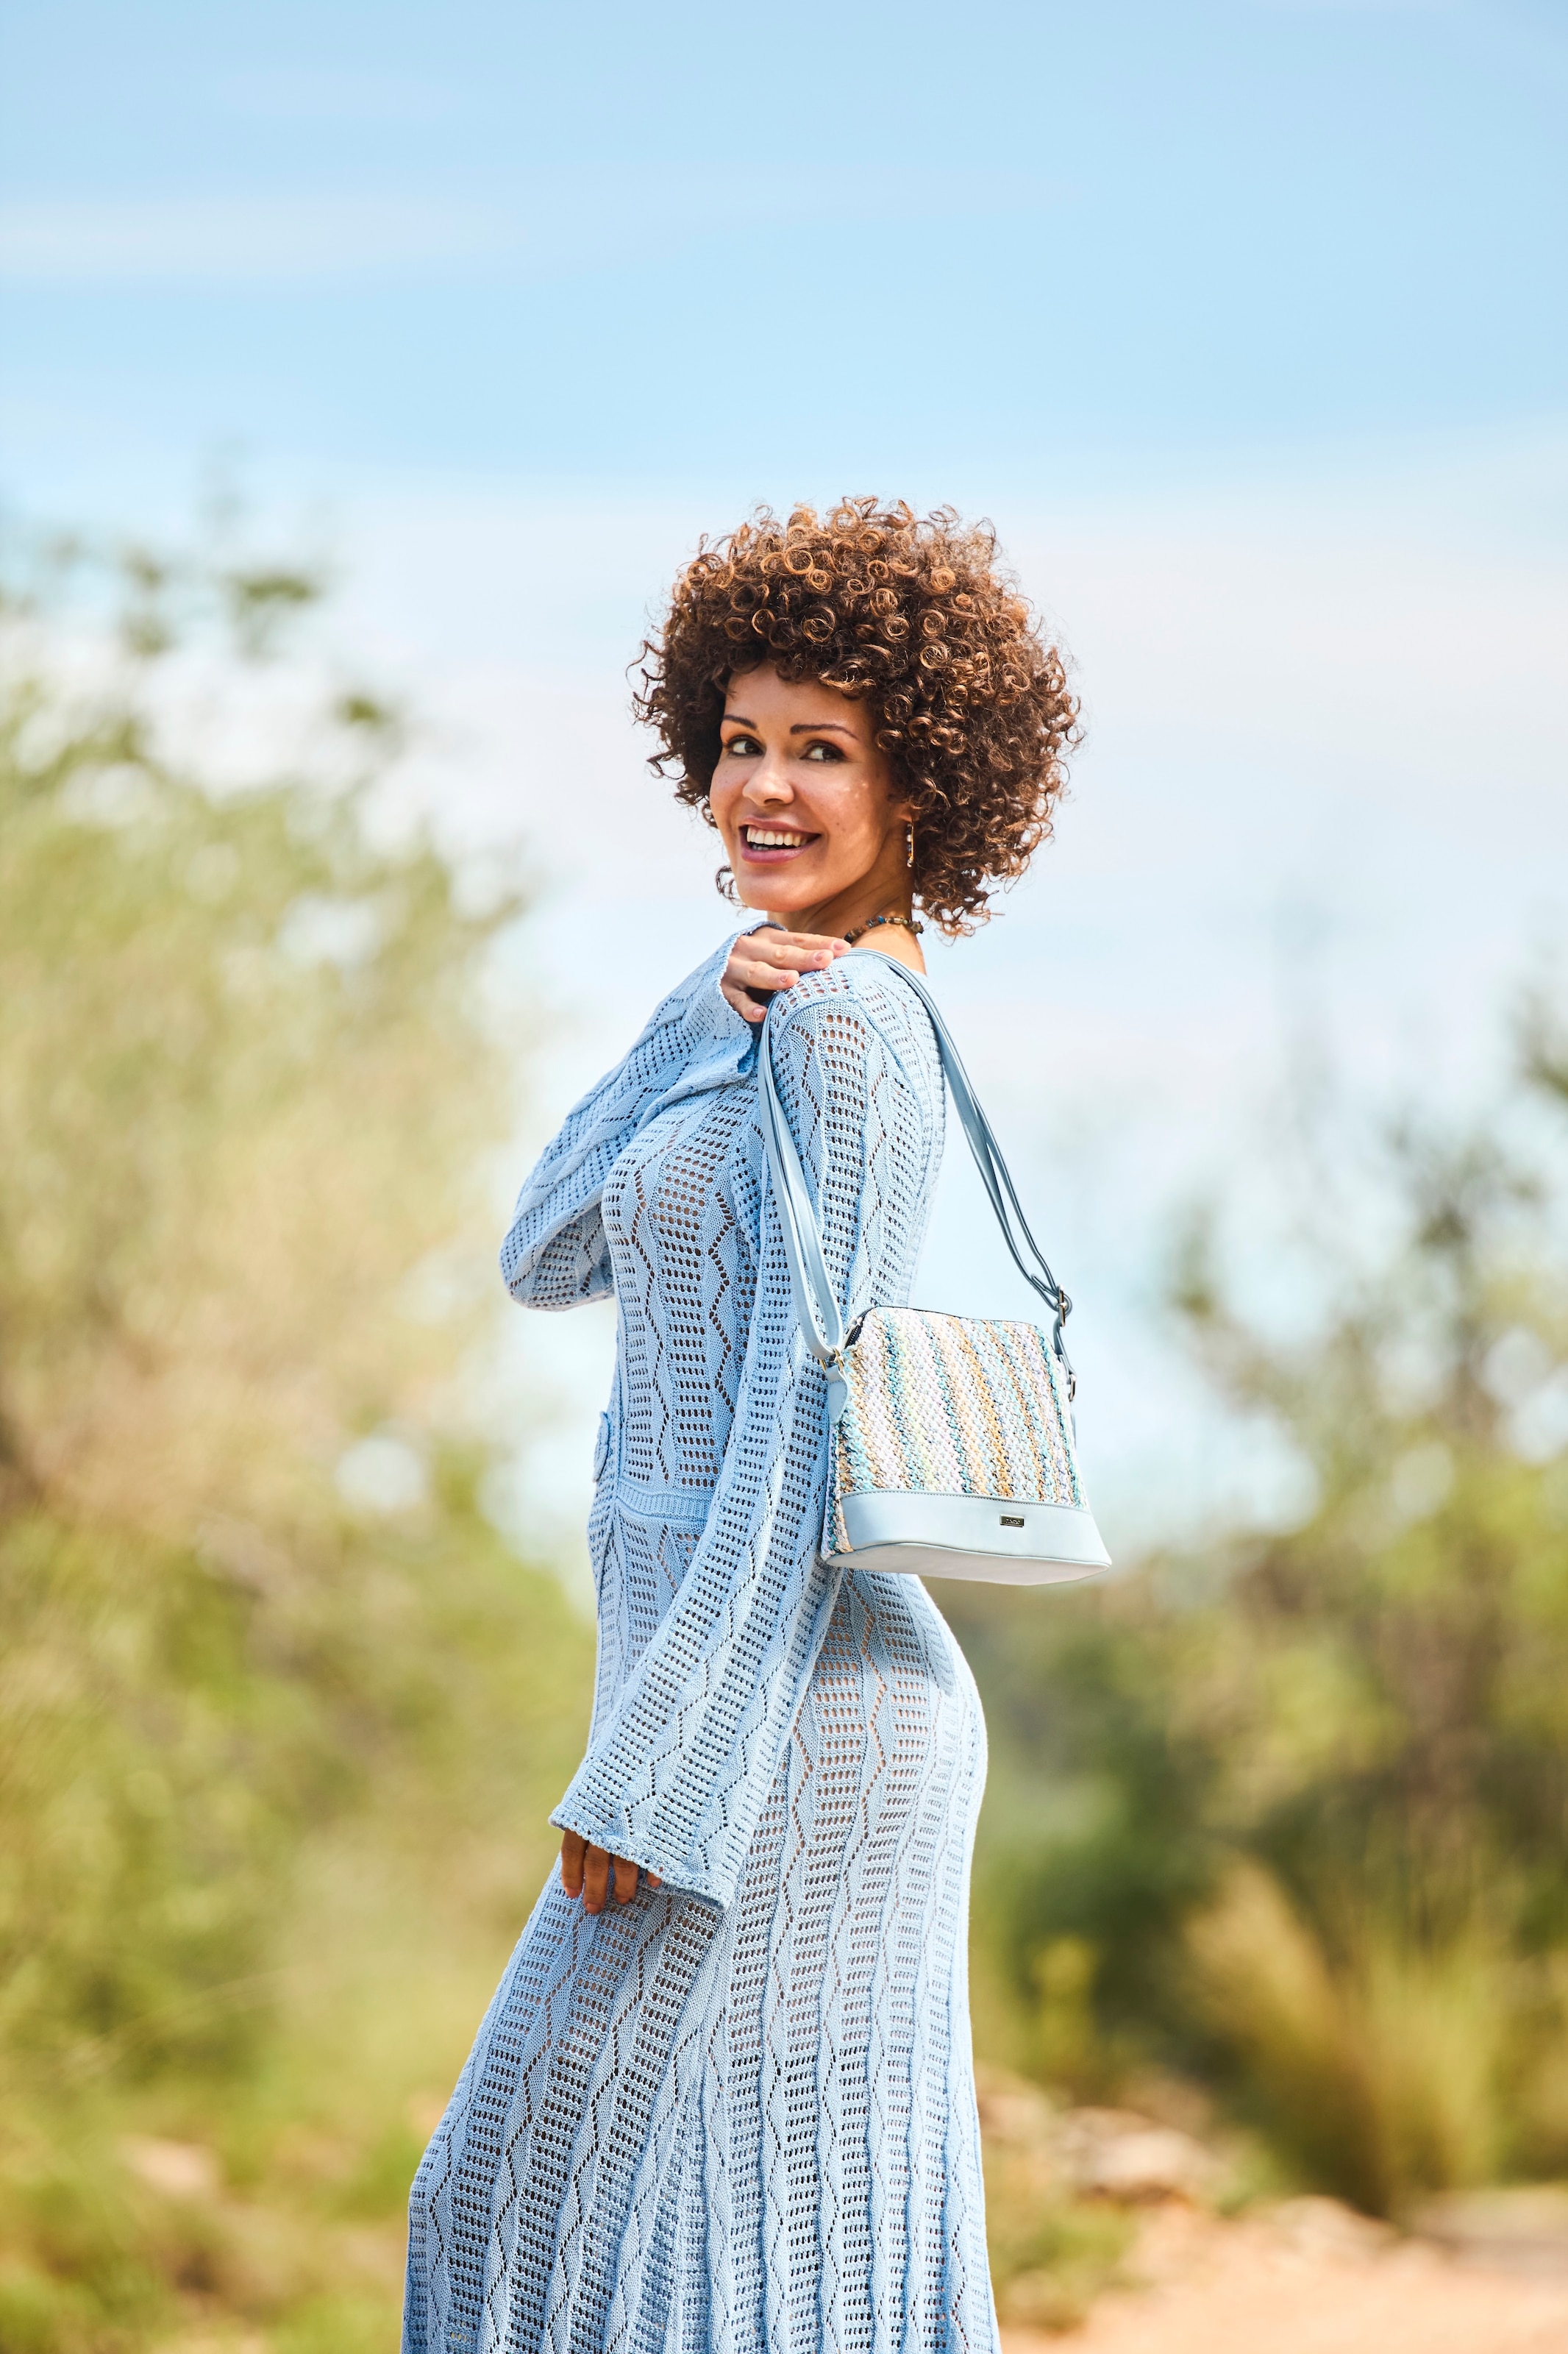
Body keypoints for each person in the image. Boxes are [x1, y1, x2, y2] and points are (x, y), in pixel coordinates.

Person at [403, 498, 1079, 2354]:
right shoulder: (757, 1007)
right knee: (705, 2231)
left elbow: (791, 1433)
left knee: (561, 2202)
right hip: (731, 1693)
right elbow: (545, 1249)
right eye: (740, 743)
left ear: (919, 782)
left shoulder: (855, 1033)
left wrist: (655, 1771)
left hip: (800, 1720)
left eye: (823, 752)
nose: (761, 790)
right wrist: (687, 1017)